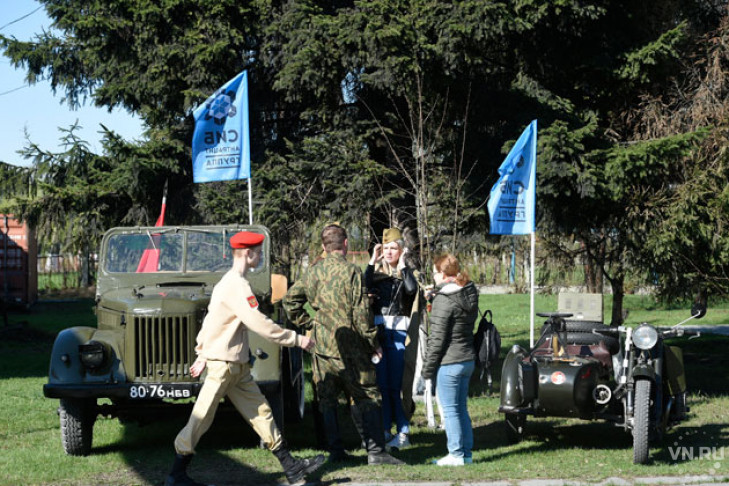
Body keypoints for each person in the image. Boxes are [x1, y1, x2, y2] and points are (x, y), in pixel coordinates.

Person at [166, 231, 325, 486]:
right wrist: (297, 339)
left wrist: (201, 352)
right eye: (259, 252)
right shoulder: (236, 286)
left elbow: (211, 320)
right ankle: (176, 475)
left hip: (236, 366)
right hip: (224, 366)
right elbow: (258, 323)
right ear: (248, 253)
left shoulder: (231, 283)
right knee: (200, 418)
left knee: (261, 413)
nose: (260, 256)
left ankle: (293, 470)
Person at [283, 223, 404, 466]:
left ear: (324, 247)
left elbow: (289, 301)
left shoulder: (313, 272)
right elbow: (361, 314)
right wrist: (373, 342)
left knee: (327, 398)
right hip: (352, 346)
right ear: (345, 244)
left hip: (323, 345)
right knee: (368, 394)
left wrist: (309, 324)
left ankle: (335, 451)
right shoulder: (352, 272)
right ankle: (376, 451)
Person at [422, 253, 479, 466]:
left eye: (435, 273)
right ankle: (466, 453)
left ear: (443, 274)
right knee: (460, 407)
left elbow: (436, 339)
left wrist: (427, 370)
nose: (433, 277)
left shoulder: (444, 300)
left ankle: (455, 454)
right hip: (467, 358)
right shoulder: (467, 291)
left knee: (450, 409)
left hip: (450, 361)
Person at [364, 228, 418, 450]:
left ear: (401, 251)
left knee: (397, 386)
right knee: (382, 386)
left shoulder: (405, 273)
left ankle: (403, 431)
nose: (388, 252)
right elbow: (362, 286)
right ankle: (386, 430)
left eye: (393, 248)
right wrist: (371, 261)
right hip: (378, 335)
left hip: (398, 335)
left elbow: (411, 289)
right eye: (385, 248)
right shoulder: (376, 274)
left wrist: (403, 265)